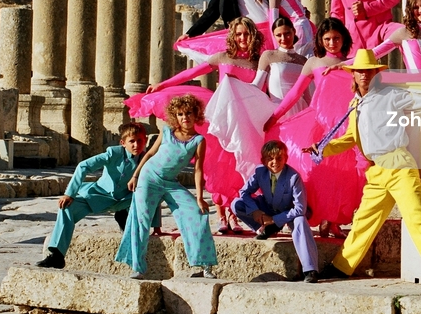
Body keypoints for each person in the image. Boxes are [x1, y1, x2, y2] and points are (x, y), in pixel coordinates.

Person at [307, 49, 421, 292]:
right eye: (360, 71)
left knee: (419, 219)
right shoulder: (354, 104)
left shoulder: (392, 95)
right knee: (363, 222)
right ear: (354, 74)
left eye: (369, 71)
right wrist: (323, 149)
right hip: (377, 171)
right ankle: (342, 267)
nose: (364, 75)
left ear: (375, 73)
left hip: (399, 165)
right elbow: (349, 138)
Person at [127, 17, 264, 234]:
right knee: (218, 165)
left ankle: (234, 213)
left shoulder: (258, 62)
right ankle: (221, 214)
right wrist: (163, 84)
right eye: (238, 34)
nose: (242, 38)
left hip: (245, 120)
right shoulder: (223, 57)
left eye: (246, 34)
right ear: (232, 36)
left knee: (237, 166)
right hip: (219, 116)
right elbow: (192, 73)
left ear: (253, 35)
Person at [264, 18, 364, 239]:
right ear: (320, 40)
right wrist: (275, 116)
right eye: (327, 39)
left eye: (336, 38)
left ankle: (335, 221)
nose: (332, 43)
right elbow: (294, 94)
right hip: (320, 126)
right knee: (321, 174)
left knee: (346, 176)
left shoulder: (354, 61)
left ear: (344, 38)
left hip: (347, 126)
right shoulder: (314, 63)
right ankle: (318, 217)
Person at [116, 95, 218, 279]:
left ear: (196, 115)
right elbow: (149, 154)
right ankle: (137, 266)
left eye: (188, 113)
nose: (184, 117)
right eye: (180, 114)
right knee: (141, 218)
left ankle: (205, 265)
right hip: (149, 177)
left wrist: (200, 197)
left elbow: (198, 170)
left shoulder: (198, 140)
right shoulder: (167, 130)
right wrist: (135, 175)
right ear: (175, 116)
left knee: (197, 212)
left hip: (170, 183)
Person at [36, 122, 158, 269]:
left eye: (140, 141)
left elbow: (156, 190)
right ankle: (57, 255)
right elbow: (83, 166)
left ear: (145, 141)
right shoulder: (113, 153)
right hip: (98, 196)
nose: (136, 145)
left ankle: (123, 219)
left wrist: (156, 226)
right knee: (66, 208)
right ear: (123, 143)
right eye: (132, 141)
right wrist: (70, 194)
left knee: (148, 194)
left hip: (125, 200)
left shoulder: (147, 160)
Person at [232, 140, 320, 283]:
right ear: (263, 160)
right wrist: (255, 211)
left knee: (301, 221)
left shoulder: (293, 177)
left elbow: (300, 208)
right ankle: (266, 228)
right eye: (270, 158)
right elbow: (244, 192)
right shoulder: (259, 171)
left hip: (289, 212)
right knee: (237, 204)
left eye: (279, 158)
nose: (275, 162)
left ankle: (310, 269)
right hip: (267, 208)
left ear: (286, 158)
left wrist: (274, 219)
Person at [252, 17, 310, 117]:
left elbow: (307, 95)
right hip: (278, 111)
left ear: (294, 31)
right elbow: (257, 85)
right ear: (273, 36)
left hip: (301, 111)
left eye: (287, 33)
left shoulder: (303, 60)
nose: (283, 38)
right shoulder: (269, 56)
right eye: (279, 35)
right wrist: (236, 83)